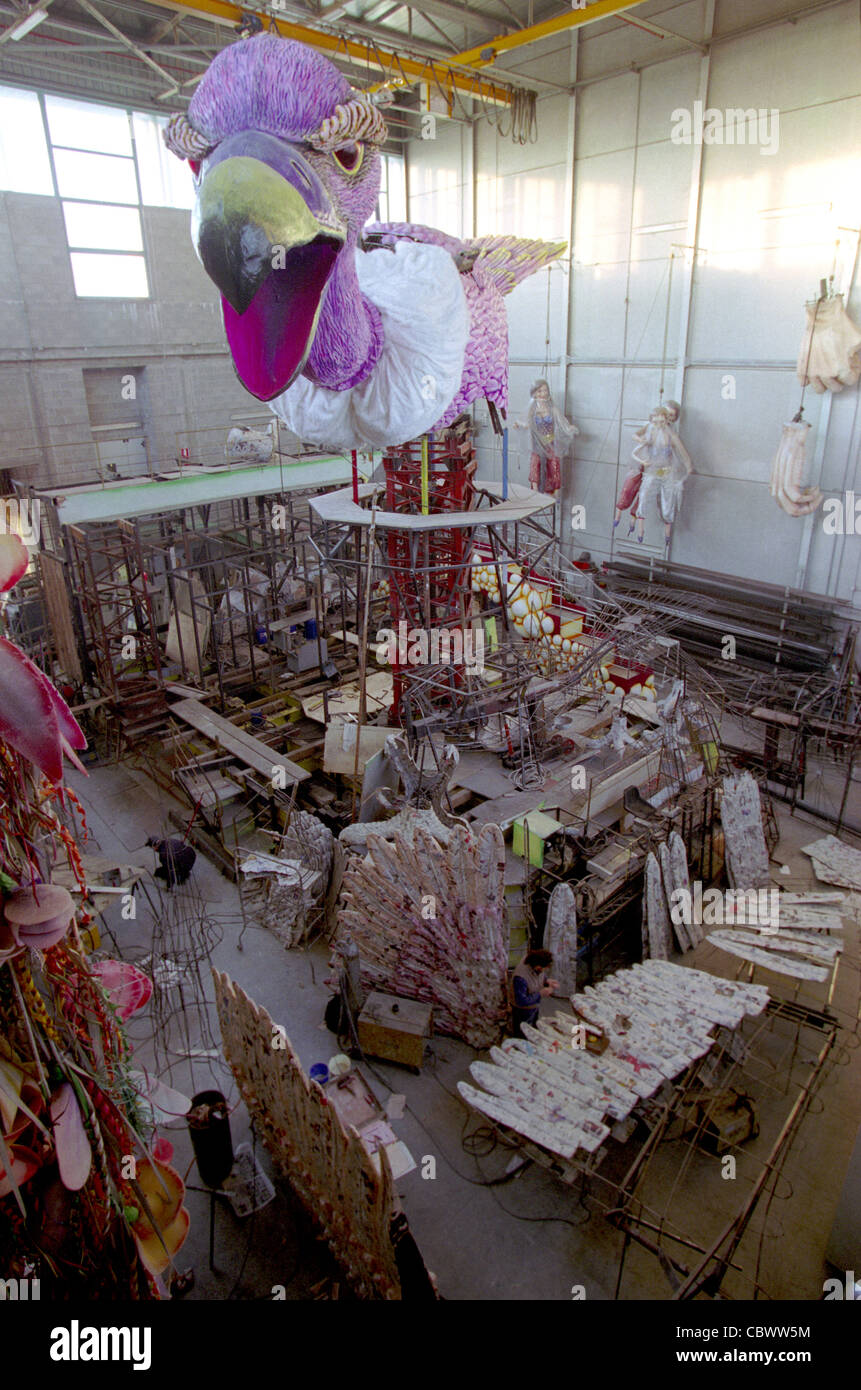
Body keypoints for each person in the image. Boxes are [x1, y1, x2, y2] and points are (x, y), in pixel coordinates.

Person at [515, 380, 579, 497]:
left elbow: (562, 422)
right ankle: (534, 488)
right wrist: (521, 425)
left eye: (545, 390)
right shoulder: (532, 409)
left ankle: (555, 490)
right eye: (539, 391)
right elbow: (525, 421)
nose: (543, 393)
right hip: (536, 441)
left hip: (549, 440)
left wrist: (570, 428)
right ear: (534, 393)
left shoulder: (552, 409)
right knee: (535, 461)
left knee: (554, 462)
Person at [511, 948, 559, 1037]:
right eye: (543, 969)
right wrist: (540, 994)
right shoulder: (520, 978)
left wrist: (547, 981)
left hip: (533, 1007)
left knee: (532, 1030)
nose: (544, 971)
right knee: (522, 1034)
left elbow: (540, 976)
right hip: (522, 1011)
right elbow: (521, 1001)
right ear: (538, 966)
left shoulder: (534, 964)